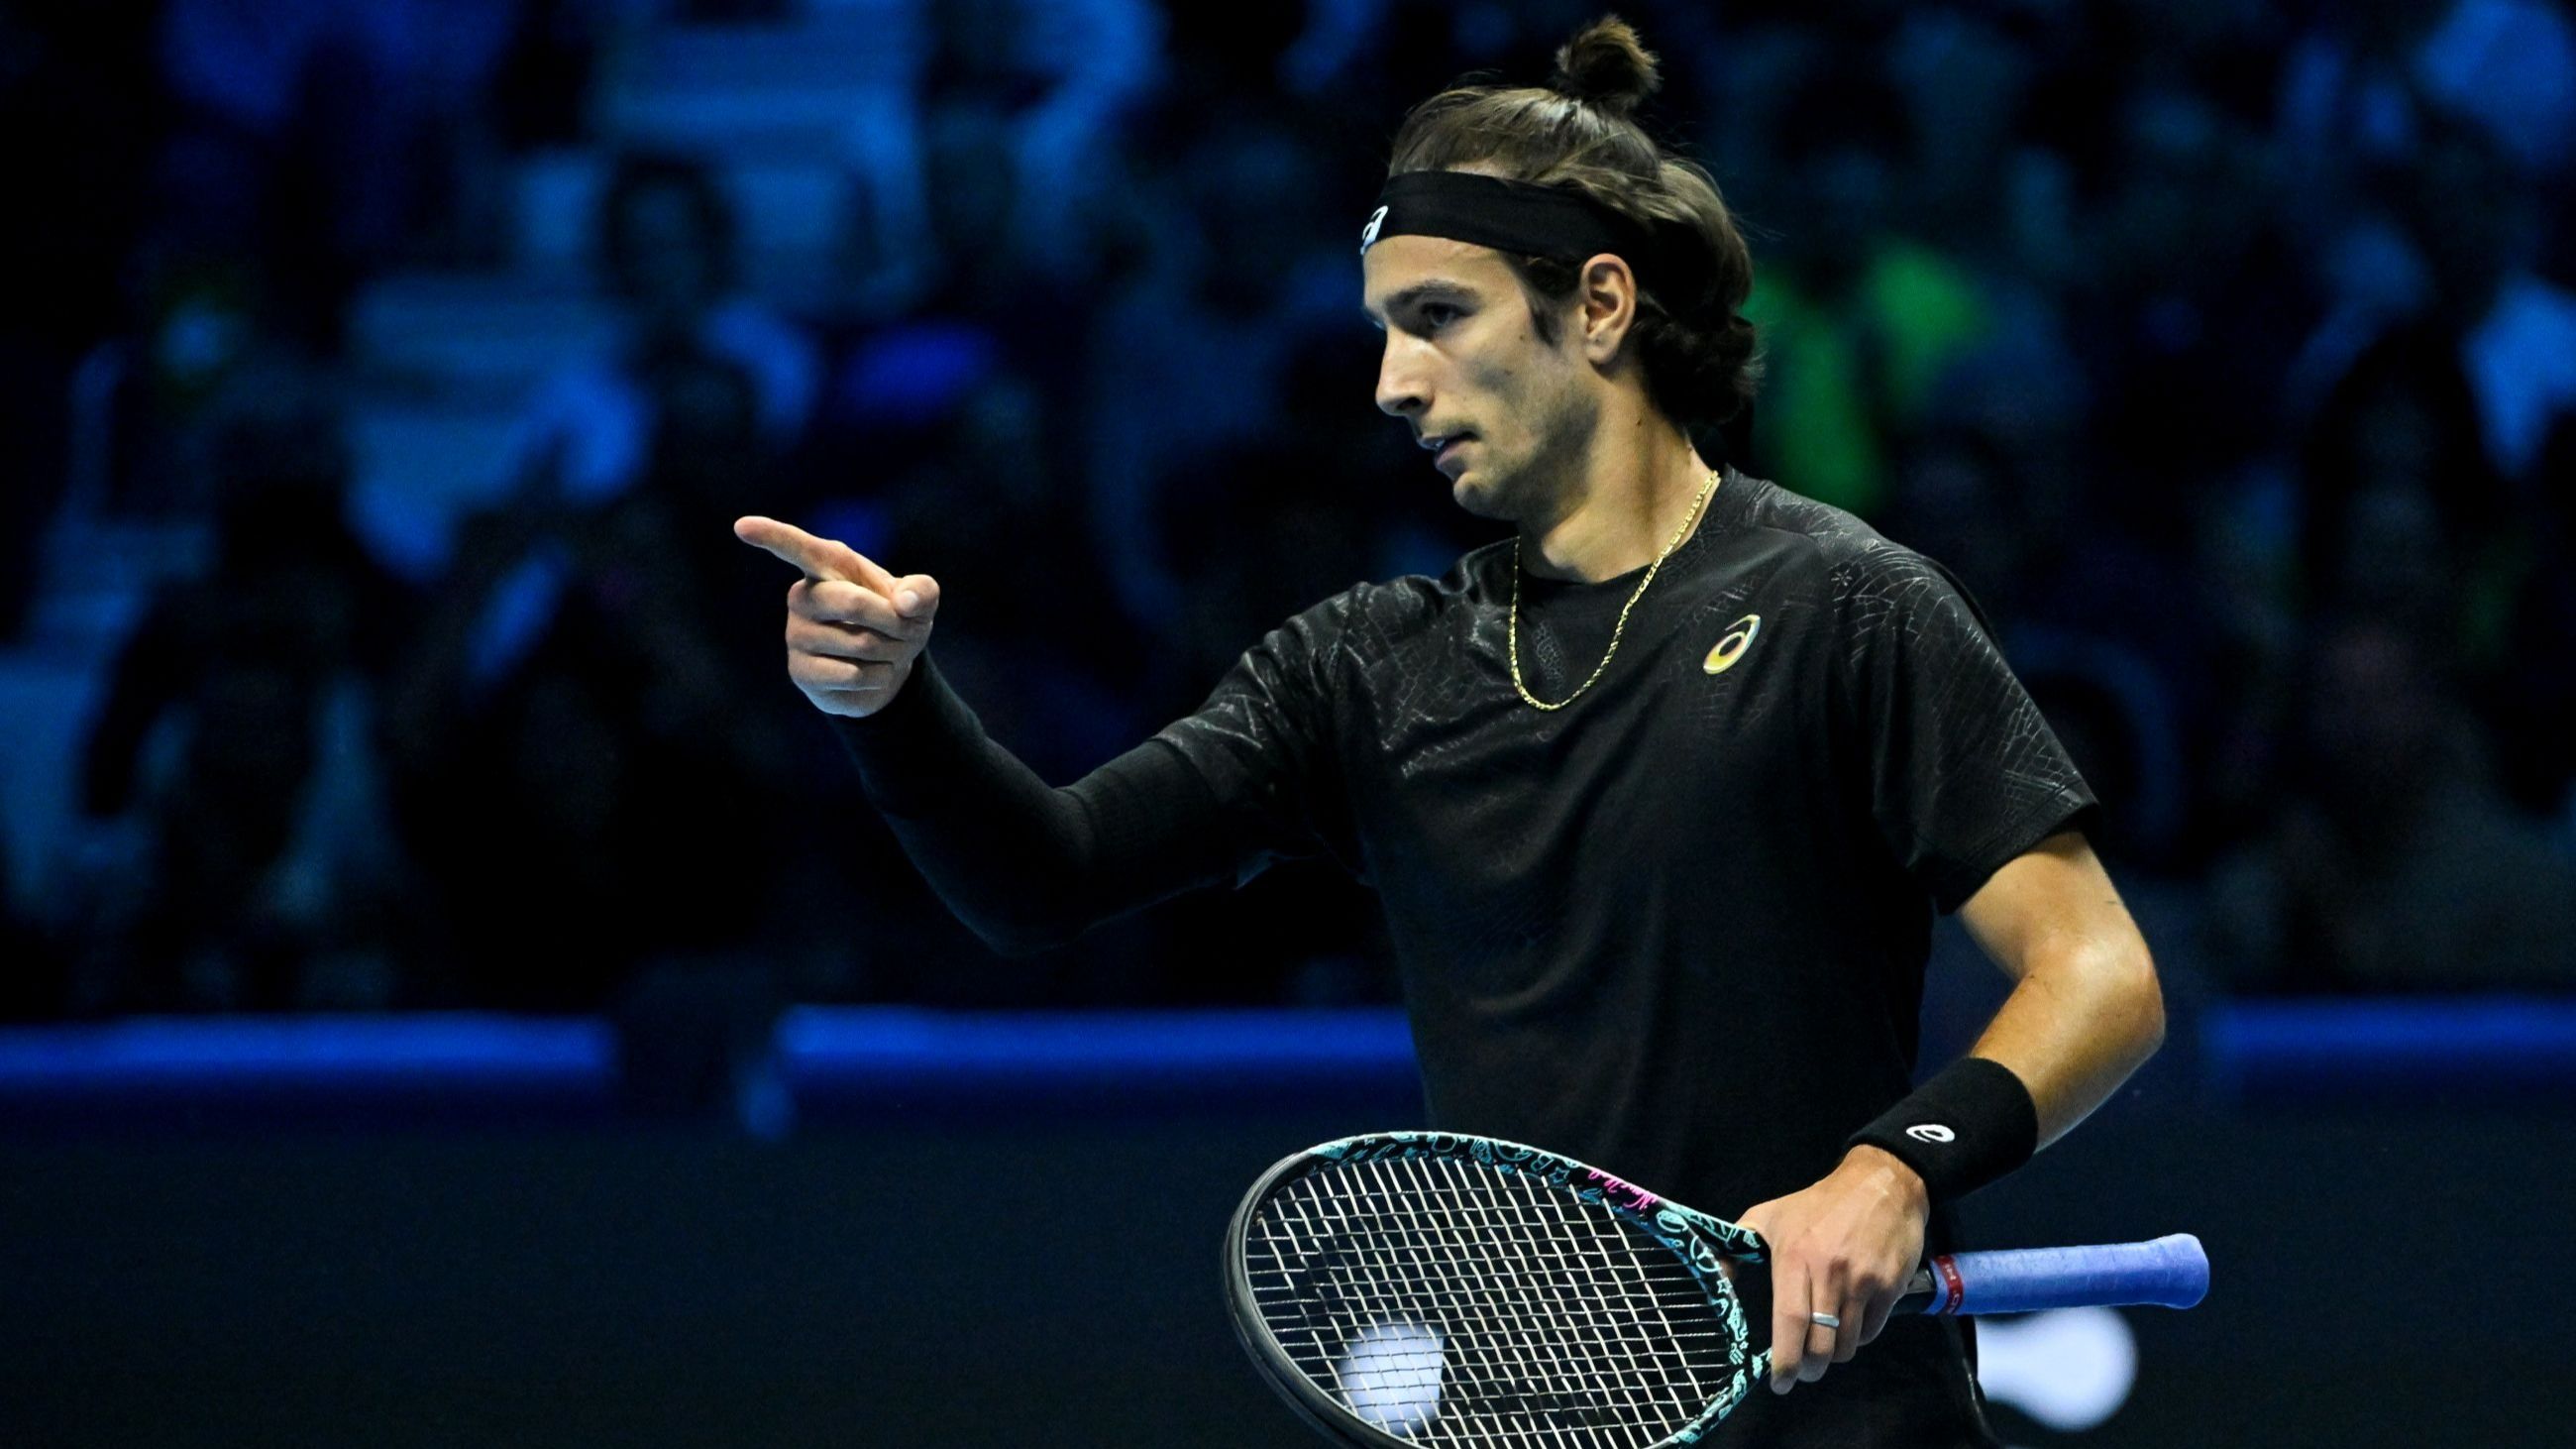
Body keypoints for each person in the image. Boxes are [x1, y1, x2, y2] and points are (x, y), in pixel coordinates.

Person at [735, 18, 2165, 1447]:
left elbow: (2101, 975)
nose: (1393, 383)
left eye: (1438, 316)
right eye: (1384, 329)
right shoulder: (1366, 667)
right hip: (1531, 1420)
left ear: (1597, 306)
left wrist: (1892, 1172)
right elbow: (1041, 876)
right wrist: (889, 705)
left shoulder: (1846, 607)